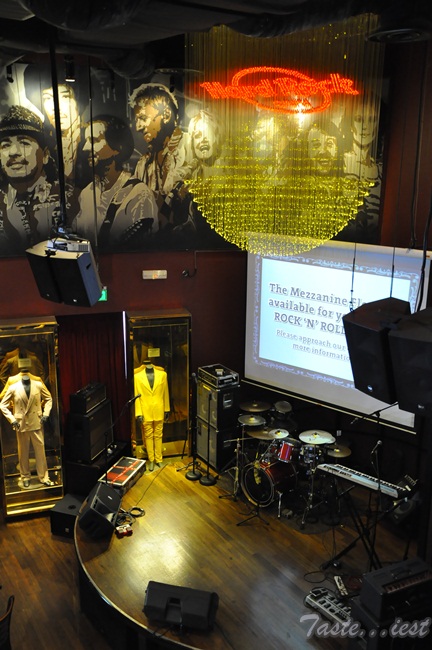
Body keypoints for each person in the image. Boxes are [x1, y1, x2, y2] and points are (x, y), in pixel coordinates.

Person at [72, 114, 158, 250]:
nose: (85, 148)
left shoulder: (138, 194)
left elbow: (145, 250)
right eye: (86, 141)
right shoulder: (87, 193)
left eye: (94, 140)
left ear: (117, 148)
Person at [0, 105, 64, 254]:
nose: (13, 152)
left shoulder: (71, 198)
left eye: (24, 143)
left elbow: (82, 247)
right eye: (5, 145)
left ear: (45, 155)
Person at [0, 372, 54, 488]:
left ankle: (44, 477)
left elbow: (49, 398)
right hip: (21, 424)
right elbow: (2, 405)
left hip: (36, 422)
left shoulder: (38, 384)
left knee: (40, 451)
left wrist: (46, 414)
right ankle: (25, 476)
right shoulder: (13, 387)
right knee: (23, 452)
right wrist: (12, 419)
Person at [134, 362, 170, 472]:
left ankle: (159, 459)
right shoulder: (137, 377)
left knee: (159, 434)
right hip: (145, 410)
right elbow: (137, 396)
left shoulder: (162, 375)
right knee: (148, 435)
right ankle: (151, 459)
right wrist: (138, 413)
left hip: (159, 409)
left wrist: (167, 409)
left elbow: (165, 393)